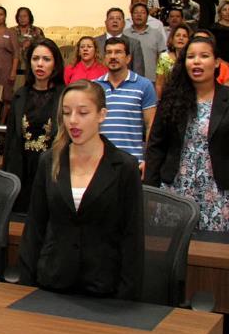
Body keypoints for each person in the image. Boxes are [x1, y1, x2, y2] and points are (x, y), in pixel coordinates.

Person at [18, 80, 143, 299]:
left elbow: (132, 238)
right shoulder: (49, 161)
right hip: (52, 282)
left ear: (101, 115)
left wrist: (127, 298)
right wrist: (26, 287)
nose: (73, 121)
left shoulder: (124, 167)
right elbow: (35, 227)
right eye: (66, 113)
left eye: (83, 113)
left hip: (104, 288)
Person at [146, 36, 229, 233]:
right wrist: (152, 193)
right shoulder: (171, 98)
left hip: (219, 193)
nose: (196, 61)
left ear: (216, 63)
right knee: (174, 252)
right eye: (190, 57)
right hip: (176, 190)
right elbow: (156, 147)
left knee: (216, 254)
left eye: (204, 56)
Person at [5, 39, 65, 214]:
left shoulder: (64, 95)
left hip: (52, 171)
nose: (40, 64)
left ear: (55, 64)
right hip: (22, 170)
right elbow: (11, 141)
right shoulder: (20, 95)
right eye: (35, 58)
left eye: (46, 59)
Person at [94, 37, 157, 165]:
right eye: (109, 52)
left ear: (128, 58)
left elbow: (151, 125)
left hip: (133, 162)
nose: (113, 56)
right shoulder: (94, 87)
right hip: (99, 162)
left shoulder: (144, 85)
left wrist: (148, 160)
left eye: (118, 52)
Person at [96, 8, 147, 78]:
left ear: (124, 24)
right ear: (105, 22)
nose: (115, 21)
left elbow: (138, 72)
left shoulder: (134, 44)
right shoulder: (95, 42)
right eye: (111, 18)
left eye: (118, 19)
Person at [124, 2, 167, 77]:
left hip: (152, 78)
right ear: (131, 16)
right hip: (128, 79)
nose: (139, 15)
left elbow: (162, 57)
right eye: (136, 12)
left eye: (143, 13)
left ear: (147, 16)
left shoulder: (156, 34)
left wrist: (160, 77)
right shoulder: (124, 34)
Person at [155, 23, 191, 98]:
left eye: (184, 36)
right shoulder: (164, 57)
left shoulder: (192, 59)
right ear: (172, 38)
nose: (181, 38)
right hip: (168, 97)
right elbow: (159, 83)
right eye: (178, 35)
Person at [11, 7, 44, 75]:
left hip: (32, 66)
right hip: (14, 66)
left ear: (30, 17)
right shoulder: (11, 31)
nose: (22, 18)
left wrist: (32, 43)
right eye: (20, 16)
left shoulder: (37, 31)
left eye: (25, 16)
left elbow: (44, 47)